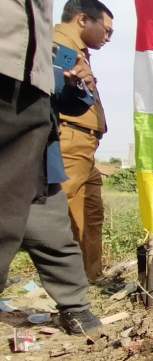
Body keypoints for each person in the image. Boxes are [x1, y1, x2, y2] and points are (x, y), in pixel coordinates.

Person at [0, 0, 102, 336]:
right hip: (9, 100)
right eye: (106, 28)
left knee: (51, 226)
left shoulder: (52, 48)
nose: (108, 37)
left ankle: (75, 306)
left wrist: (77, 84)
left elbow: (60, 93)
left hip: (36, 127)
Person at [55, 0, 114, 282]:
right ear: (82, 20)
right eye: (106, 29)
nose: (108, 37)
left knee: (90, 215)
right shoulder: (57, 46)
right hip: (67, 138)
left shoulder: (79, 53)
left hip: (86, 147)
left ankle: (89, 277)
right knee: (50, 210)